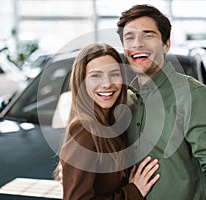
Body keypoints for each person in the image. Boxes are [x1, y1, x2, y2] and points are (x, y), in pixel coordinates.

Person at [116, 4, 206, 199]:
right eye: (129, 37)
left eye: (148, 35)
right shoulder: (124, 99)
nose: (137, 44)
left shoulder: (193, 96)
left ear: (166, 44)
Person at [58, 43, 160, 199]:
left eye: (114, 74)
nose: (107, 84)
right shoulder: (84, 130)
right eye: (96, 75)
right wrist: (133, 192)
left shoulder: (114, 124)